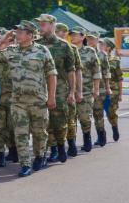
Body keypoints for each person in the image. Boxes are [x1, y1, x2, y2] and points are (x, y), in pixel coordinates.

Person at [0, 21, 57, 177]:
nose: (17, 35)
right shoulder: (11, 51)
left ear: (30, 35)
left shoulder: (42, 50)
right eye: (16, 32)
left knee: (39, 132)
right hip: (17, 101)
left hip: (38, 100)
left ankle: (39, 155)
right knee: (20, 133)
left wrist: (52, 96)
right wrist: (4, 39)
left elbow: (51, 74)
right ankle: (25, 164)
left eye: (21, 32)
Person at [35, 14, 76, 164]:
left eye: (44, 24)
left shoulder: (64, 46)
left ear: (52, 25)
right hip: (40, 90)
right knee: (43, 123)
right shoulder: (36, 45)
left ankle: (60, 146)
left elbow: (71, 70)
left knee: (59, 122)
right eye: (40, 24)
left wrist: (72, 92)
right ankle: (50, 151)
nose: (41, 27)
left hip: (60, 90)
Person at [69, 26, 101, 153]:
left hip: (86, 91)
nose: (73, 37)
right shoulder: (68, 50)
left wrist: (96, 89)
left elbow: (97, 71)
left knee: (84, 118)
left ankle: (87, 139)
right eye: (71, 34)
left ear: (83, 37)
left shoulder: (90, 52)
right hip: (69, 91)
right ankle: (72, 145)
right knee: (71, 120)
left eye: (76, 35)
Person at [0, 27, 16, 167]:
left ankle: (13, 151)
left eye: (7, 39)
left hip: (14, 97)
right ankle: (0, 156)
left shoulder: (16, 52)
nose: (2, 42)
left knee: (12, 127)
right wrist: (1, 41)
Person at [57, 22, 83, 156]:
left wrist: (78, 91)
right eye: (57, 31)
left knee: (70, 119)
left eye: (61, 31)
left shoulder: (72, 49)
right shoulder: (45, 47)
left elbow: (77, 71)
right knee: (53, 121)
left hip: (67, 89)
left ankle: (71, 143)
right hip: (51, 90)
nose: (59, 33)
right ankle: (55, 148)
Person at [88, 32, 111, 147]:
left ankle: (101, 136)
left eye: (92, 39)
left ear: (97, 40)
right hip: (86, 88)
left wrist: (107, 88)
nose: (90, 41)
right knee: (88, 115)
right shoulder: (84, 53)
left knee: (98, 113)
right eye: (88, 39)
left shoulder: (102, 55)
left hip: (99, 88)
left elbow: (106, 72)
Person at [104, 38, 122, 141]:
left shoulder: (115, 60)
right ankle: (101, 136)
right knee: (97, 114)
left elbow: (119, 78)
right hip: (101, 89)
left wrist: (119, 94)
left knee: (111, 113)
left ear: (109, 48)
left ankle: (114, 127)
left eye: (103, 45)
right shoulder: (97, 57)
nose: (100, 47)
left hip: (113, 91)